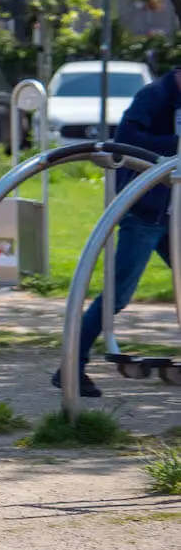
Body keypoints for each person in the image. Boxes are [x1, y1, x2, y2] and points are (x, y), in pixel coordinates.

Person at [62, 67, 181, 398]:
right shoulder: (154, 96)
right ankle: (70, 366)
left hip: (174, 212)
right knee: (117, 293)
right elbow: (127, 140)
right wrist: (176, 144)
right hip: (145, 209)